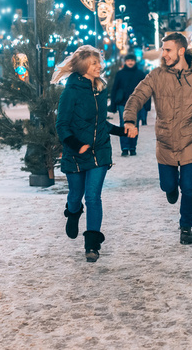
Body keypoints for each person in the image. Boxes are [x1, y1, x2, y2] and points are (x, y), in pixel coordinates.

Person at [123, 33, 192, 245]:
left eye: (168, 50)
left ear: (181, 51)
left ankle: (186, 226)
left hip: (190, 139)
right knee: (168, 185)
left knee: (189, 186)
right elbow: (137, 96)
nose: (164, 54)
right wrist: (130, 119)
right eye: (163, 50)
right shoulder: (157, 76)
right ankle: (170, 188)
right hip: (165, 140)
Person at [53, 45, 127, 262]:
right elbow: (62, 124)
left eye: (99, 62)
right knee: (76, 195)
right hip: (76, 152)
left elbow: (100, 123)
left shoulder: (99, 89)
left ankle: (92, 245)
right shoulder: (71, 91)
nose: (99, 66)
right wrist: (77, 145)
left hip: (99, 151)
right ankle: (73, 212)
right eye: (94, 63)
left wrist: (122, 131)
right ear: (84, 65)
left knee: (93, 196)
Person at [110, 53, 147, 157]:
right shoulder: (120, 74)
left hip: (137, 104)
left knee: (135, 126)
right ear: (125, 62)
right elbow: (114, 89)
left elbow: (146, 90)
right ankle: (125, 147)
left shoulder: (140, 74)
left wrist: (146, 105)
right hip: (123, 103)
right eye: (128, 60)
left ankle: (132, 147)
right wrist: (113, 104)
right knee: (124, 124)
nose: (130, 62)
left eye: (132, 60)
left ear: (135, 61)